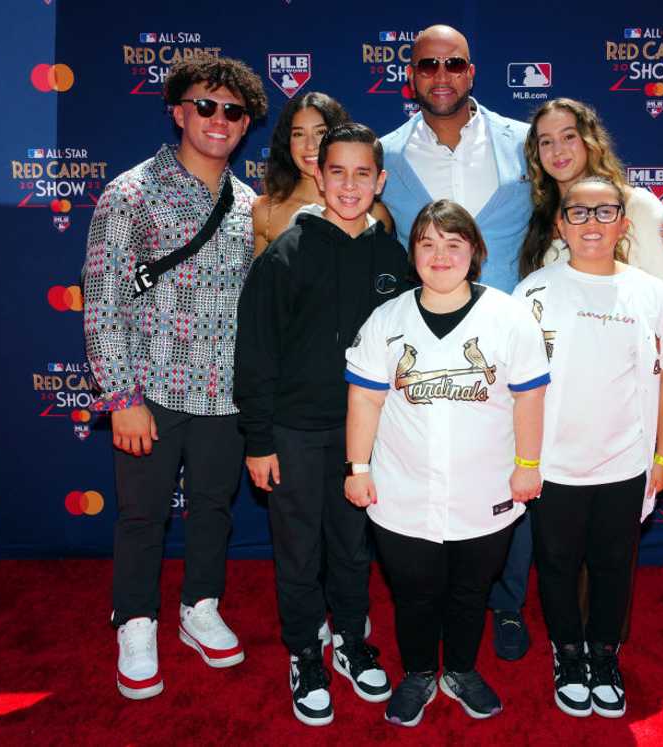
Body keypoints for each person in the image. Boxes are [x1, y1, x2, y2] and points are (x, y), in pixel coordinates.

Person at [379, 24, 663, 660]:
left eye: (455, 62)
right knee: (443, 475)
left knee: (519, 475)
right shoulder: (382, 153)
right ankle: (440, 606)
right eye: (427, 63)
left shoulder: (521, 142)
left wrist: (654, 219)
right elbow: (336, 196)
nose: (442, 74)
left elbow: (593, 189)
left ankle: (508, 605)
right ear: (409, 74)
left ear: (473, 71)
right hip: (425, 346)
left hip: (514, 347)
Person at [82, 53, 267, 700]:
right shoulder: (130, 192)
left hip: (225, 394)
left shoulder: (250, 203)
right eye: (206, 105)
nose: (219, 120)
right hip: (152, 391)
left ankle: (200, 605)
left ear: (246, 125)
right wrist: (123, 397)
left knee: (214, 508)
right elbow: (102, 302)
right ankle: (135, 620)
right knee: (142, 516)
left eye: (233, 111)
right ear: (179, 110)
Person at [344, 199, 550, 727]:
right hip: (402, 489)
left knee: (469, 591)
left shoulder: (508, 316)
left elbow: (529, 397)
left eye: (453, 243)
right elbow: (365, 399)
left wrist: (528, 464)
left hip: (486, 490)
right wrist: (358, 468)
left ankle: (459, 669)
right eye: (428, 243)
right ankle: (418, 673)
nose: (441, 255)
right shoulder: (386, 318)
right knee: (413, 594)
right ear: (412, 253)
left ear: (475, 252)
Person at [234, 122, 408, 727]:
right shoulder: (285, 254)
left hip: (368, 435)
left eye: (364, 173)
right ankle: (306, 650)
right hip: (295, 432)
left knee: (354, 547)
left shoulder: (393, 255)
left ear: (380, 180)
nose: (351, 184)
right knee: (300, 549)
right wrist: (259, 440)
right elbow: (254, 353)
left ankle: (350, 641)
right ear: (318, 174)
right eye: (338, 171)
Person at [516, 176, 663, 718]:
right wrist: (524, 459)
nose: (591, 223)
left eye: (604, 212)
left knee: (615, 565)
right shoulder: (532, 294)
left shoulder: (653, 293)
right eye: (578, 213)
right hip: (553, 464)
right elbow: (517, 386)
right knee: (556, 564)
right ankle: (567, 653)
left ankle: (603, 653)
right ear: (559, 225)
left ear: (623, 223)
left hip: (626, 462)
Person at [520, 97, 663, 308]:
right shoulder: (536, 214)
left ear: (590, 141)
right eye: (546, 141)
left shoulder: (638, 206)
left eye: (569, 137)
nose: (557, 151)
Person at [253, 92, 394, 255]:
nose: (310, 145)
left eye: (320, 132)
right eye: (298, 134)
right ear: (287, 142)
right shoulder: (265, 211)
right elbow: (257, 279)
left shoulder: (375, 213)